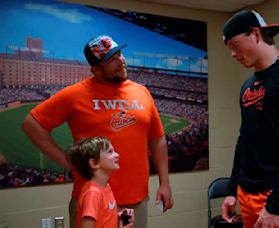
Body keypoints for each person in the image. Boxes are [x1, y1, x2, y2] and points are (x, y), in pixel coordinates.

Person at [21, 34, 173, 228]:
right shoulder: (75, 94)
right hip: (92, 202)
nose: (121, 62)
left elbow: (157, 139)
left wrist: (165, 183)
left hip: (135, 201)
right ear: (96, 69)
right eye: (111, 60)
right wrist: (67, 161)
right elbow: (31, 124)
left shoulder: (142, 92)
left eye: (120, 54)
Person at [220, 10, 279, 228]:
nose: (232, 54)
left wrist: (275, 206)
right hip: (246, 193)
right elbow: (244, 140)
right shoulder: (247, 87)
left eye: (235, 45)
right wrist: (232, 190)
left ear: (255, 34)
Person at [66, 137, 134, 228]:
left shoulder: (105, 187)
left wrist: (118, 217)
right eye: (110, 152)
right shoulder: (93, 193)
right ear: (94, 163)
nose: (117, 155)